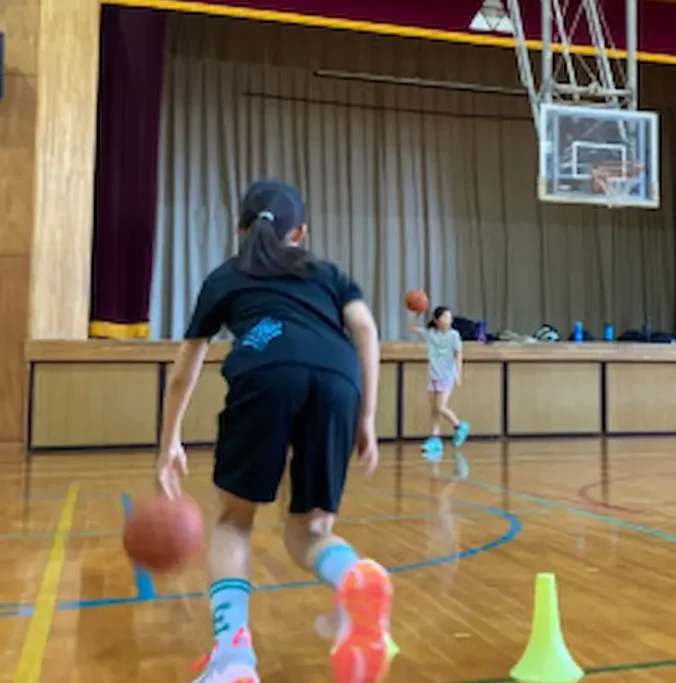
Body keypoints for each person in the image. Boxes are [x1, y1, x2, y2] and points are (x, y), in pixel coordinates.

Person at [154, 179, 392, 683]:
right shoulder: (326, 273)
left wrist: (168, 441)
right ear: (299, 233)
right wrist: (366, 416)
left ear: (240, 229)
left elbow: (184, 370)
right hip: (337, 376)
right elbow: (366, 330)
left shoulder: (226, 276)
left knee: (233, 522)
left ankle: (234, 659)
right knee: (308, 529)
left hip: (265, 369)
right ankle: (351, 576)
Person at [410, 306, 470, 459]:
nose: (448, 320)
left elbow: (458, 355)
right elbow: (412, 328)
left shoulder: (454, 336)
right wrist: (417, 314)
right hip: (433, 376)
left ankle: (459, 425)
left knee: (441, 407)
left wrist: (458, 373)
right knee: (434, 410)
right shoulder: (431, 334)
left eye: (450, 317)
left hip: (446, 375)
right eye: (445, 317)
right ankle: (435, 439)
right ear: (437, 320)